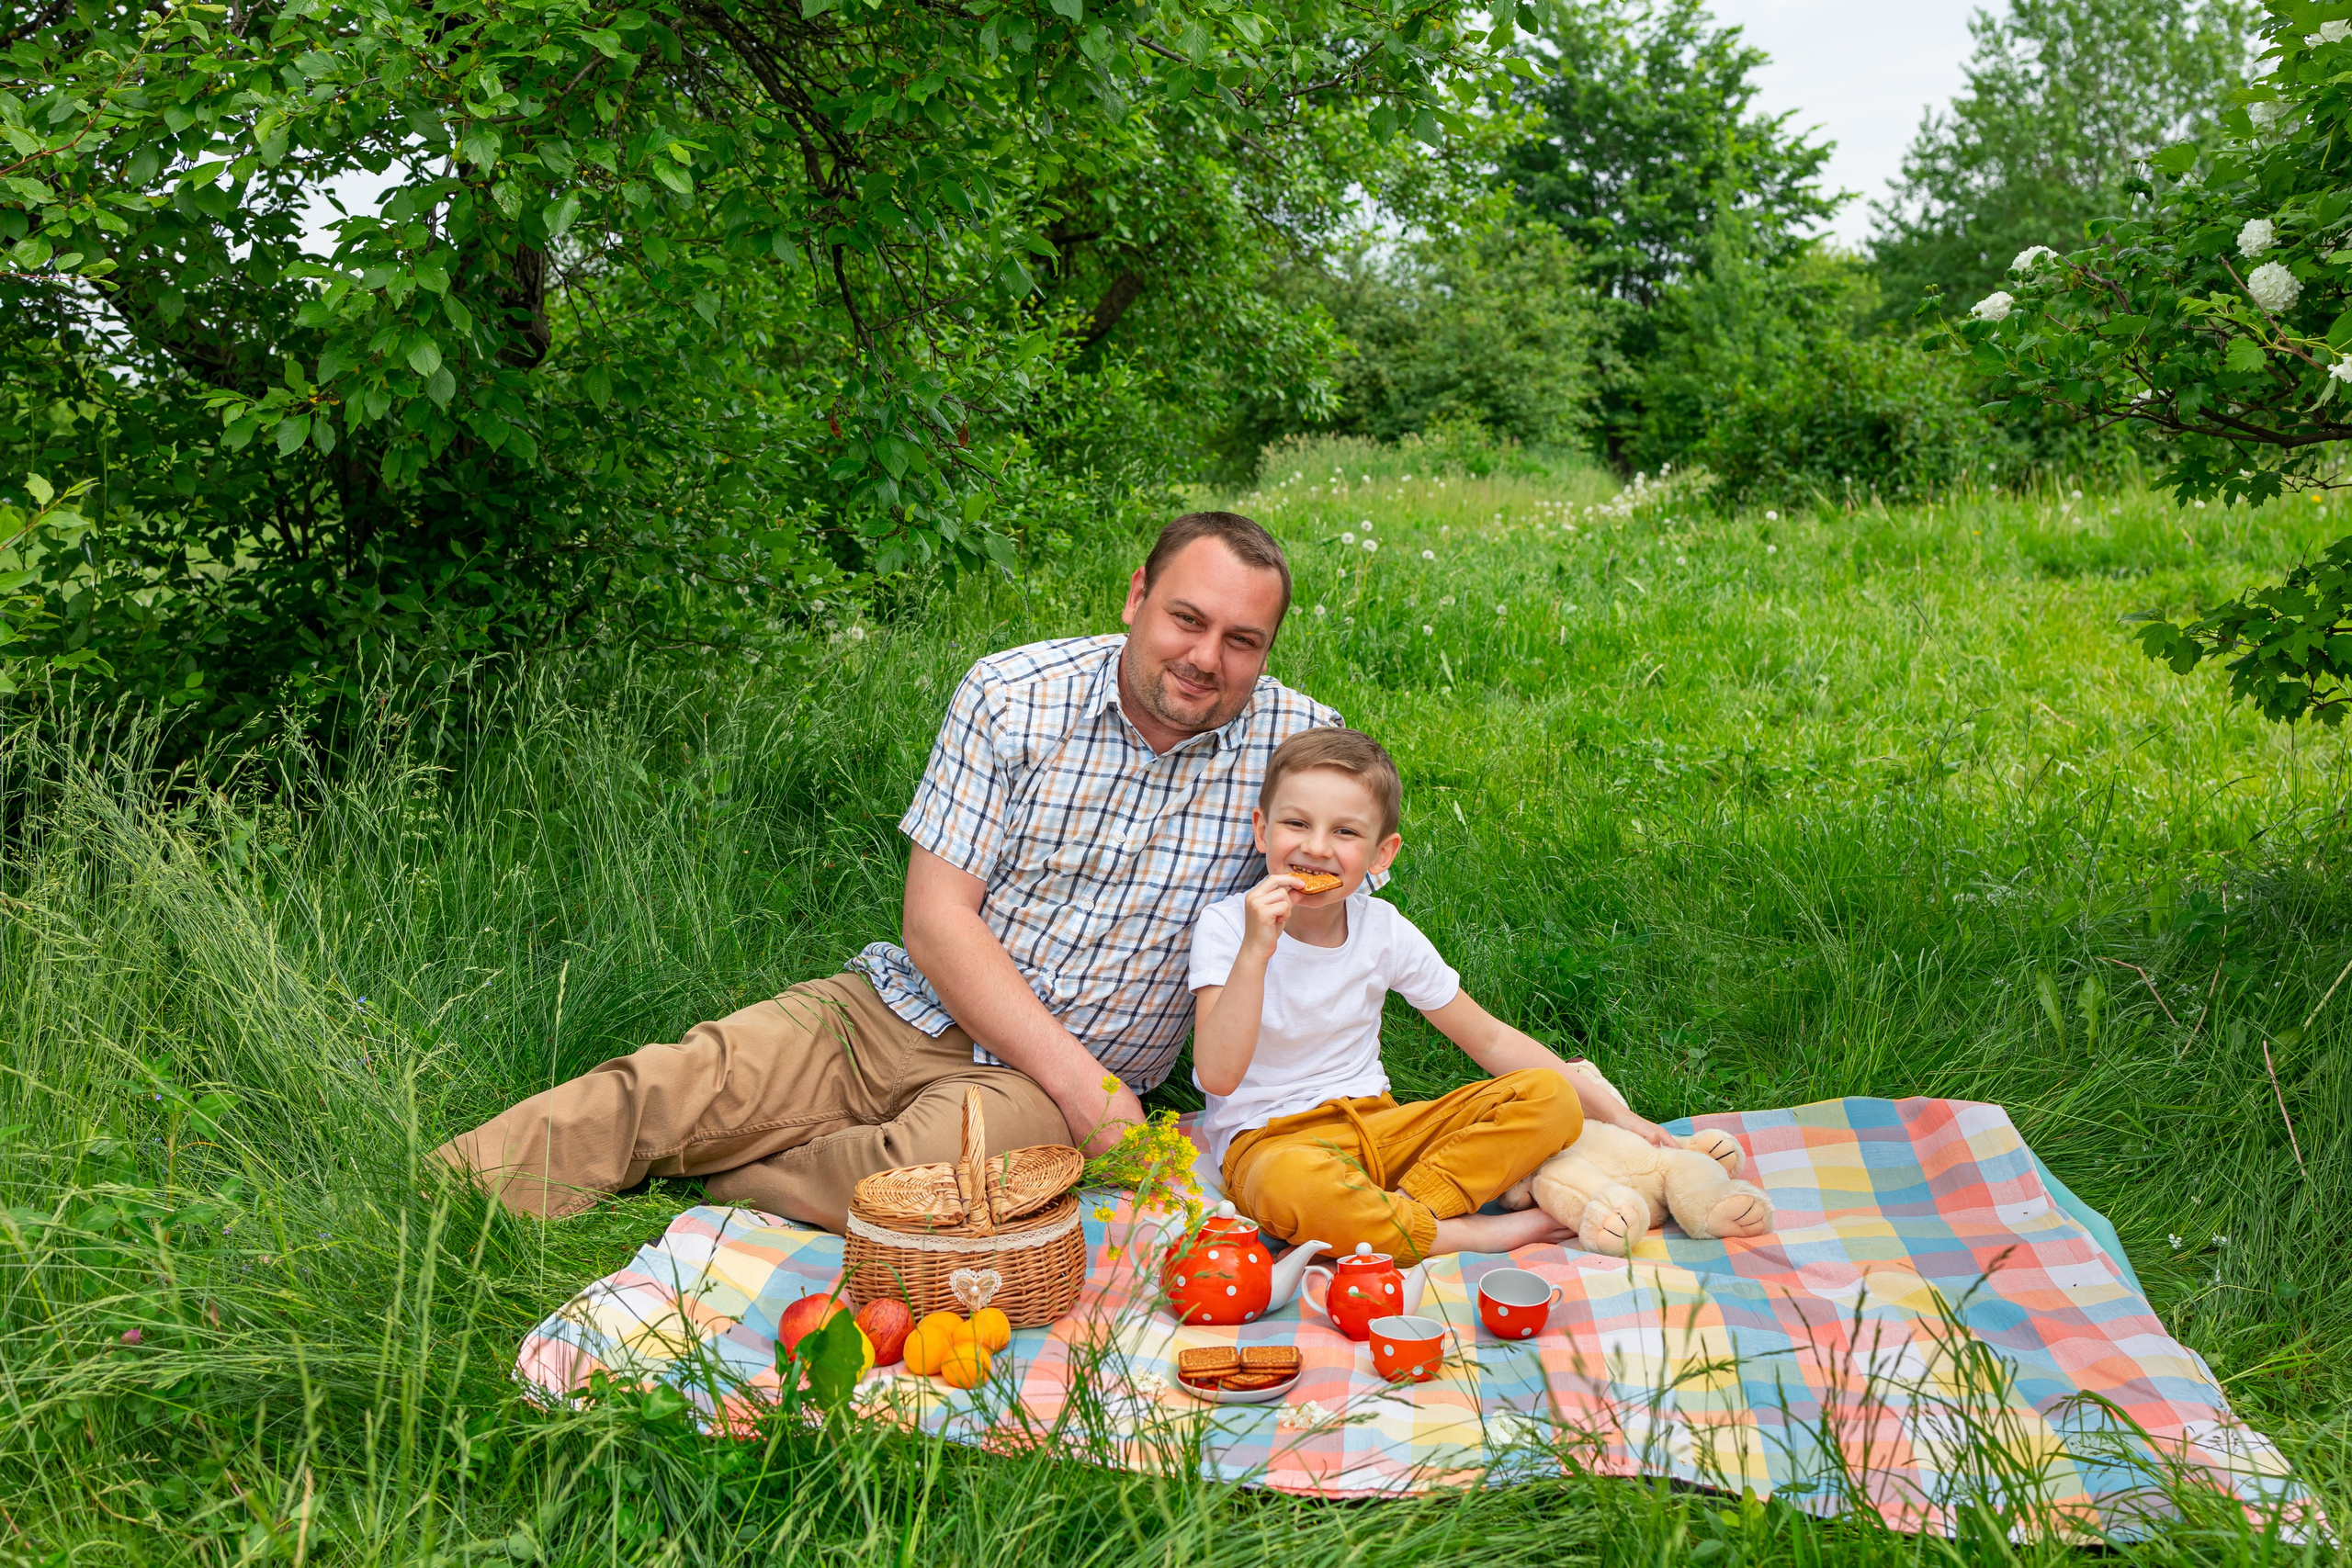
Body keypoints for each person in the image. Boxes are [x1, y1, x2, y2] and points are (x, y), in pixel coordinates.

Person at [435, 511, 1345, 1231]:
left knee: (940, 1180)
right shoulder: (1013, 694)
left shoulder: (1293, 754)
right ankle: (426, 1205)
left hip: (1037, 1089)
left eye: (1242, 640)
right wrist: (1089, 1094)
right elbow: (936, 920)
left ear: (1267, 651)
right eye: (1186, 618)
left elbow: (1329, 932)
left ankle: (742, 1175)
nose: (1204, 658)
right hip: (901, 1007)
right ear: (1136, 595)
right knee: (678, 1080)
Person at [1189, 727, 1679, 1261]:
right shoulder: (1229, 928)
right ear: (1262, 829)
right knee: (1291, 1188)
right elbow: (1217, 1075)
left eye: (1346, 832)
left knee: (1551, 1097)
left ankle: (1400, 1210)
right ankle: (1468, 1234)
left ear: (1381, 854)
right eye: (1296, 823)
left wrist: (1618, 1116)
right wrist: (1256, 952)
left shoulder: (1384, 930)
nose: (1316, 847)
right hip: (1273, 1145)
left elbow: (1489, 1039)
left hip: (1384, 1128)